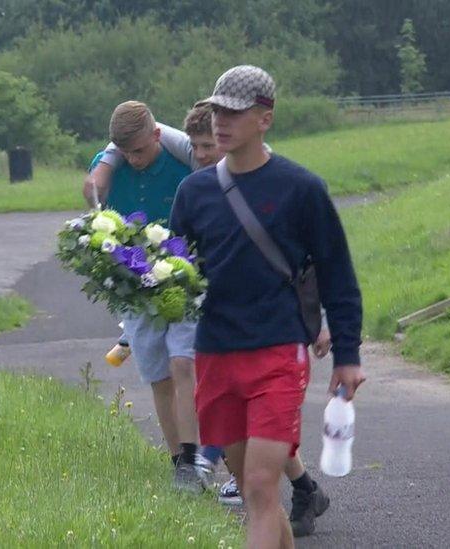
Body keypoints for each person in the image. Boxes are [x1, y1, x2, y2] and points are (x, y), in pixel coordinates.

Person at [95, 104, 334, 537]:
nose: (203, 154)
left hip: (267, 332)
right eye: (200, 147)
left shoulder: (263, 183)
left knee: (253, 458)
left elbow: (309, 259)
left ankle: (269, 481)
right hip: (213, 320)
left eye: (210, 146)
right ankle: (296, 485)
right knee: (247, 454)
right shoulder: (197, 188)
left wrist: (322, 323)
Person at [170, 66, 365, 548]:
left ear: (265, 119)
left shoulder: (302, 188)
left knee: (257, 485)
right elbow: (171, 268)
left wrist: (347, 354)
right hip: (215, 352)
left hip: (278, 352)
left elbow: (337, 273)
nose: (221, 121)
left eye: (234, 112)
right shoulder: (192, 193)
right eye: (217, 110)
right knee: (262, 498)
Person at [82, 101, 204, 493]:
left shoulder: (181, 159)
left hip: (184, 277)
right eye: (126, 152)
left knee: (184, 363)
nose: (134, 159)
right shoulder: (113, 166)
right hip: (136, 286)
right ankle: (178, 463)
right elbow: (92, 192)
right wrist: (106, 162)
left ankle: (192, 455)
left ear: (156, 135)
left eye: (140, 150)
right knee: (158, 374)